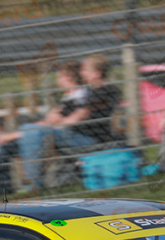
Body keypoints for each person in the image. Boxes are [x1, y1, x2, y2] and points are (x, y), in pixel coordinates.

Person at [17, 53, 121, 191]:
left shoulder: (105, 91)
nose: (81, 73)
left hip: (90, 140)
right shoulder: (88, 91)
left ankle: (32, 184)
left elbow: (80, 115)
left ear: (97, 73)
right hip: (73, 136)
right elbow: (63, 113)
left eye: (85, 70)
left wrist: (58, 126)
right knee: (30, 130)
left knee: (34, 131)